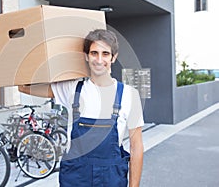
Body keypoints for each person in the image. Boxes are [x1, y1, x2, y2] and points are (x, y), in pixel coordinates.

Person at [20, 29, 144, 187]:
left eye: (105, 54)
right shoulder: (72, 88)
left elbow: (136, 147)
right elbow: (23, 87)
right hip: (76, 176)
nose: (99, 60)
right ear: (86, 56)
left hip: (111, 178)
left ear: (114, 57)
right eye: (94, 53)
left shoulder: (129, 95)